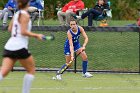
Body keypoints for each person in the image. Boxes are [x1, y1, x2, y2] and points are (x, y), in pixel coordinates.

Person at [0, 0, 44, 93]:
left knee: (3, 72)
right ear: (27, 4)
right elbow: (23, 31)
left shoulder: (16, 14)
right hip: (19, 47)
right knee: (31, 70)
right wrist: (37, 35)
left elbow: (10, 29)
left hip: (9, 46)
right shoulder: (25, 15)